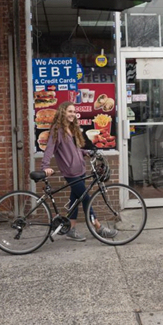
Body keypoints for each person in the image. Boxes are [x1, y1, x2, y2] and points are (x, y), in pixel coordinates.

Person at [41, 102, 118, 242]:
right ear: (62, 112)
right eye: (69, 111)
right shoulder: (57, 130)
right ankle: (98, 227)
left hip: (80, 169)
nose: (72, 114)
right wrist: (45, 166)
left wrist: (87, 152)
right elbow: (49, 149)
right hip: (70, 171)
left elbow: (76, 150)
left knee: (75, 200)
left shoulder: (71, 128)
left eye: (74, 111)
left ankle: (71, 229)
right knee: (86, 199)